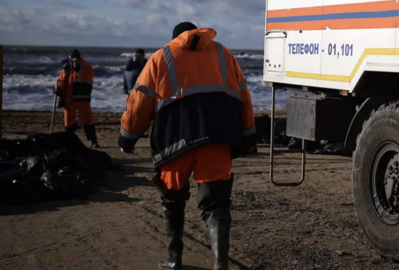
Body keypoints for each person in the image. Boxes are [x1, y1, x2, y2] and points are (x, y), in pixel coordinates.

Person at [118, 22, 256, 270]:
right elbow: (243, 95)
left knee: (172, 200)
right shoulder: (223, 54)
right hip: (217, 138)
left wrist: (128, 138)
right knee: (216, 204)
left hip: (174, 141)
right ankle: (220, 263)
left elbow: (140, 101)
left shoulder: (162, 56)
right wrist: (248, 137)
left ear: (175, 38)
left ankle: (174, 259)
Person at [55, 49, 99, 148]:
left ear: (79, 58)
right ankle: (69, 141)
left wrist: (77, 66)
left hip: (82, 98)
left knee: (87, 120)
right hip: (68, 99)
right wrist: (59, 90)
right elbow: (61, 81)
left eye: (73, 59)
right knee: (68, 122)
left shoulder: (86, 66)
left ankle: (93, 141)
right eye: (70, 60)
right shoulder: (66, 69)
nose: (71, 62)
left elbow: (87, 76)